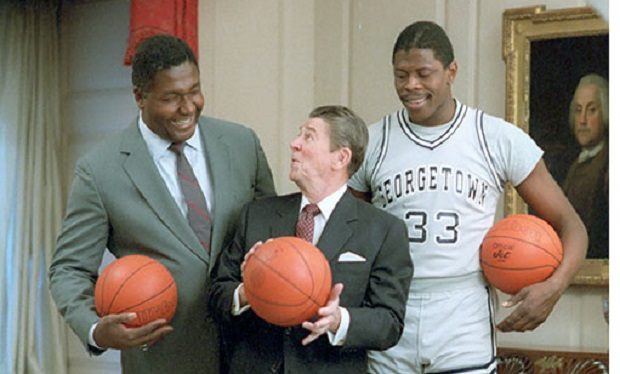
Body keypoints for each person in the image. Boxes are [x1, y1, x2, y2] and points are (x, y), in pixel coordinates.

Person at [348, 21, 587, 373]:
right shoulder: (372, 142)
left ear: (451, 71)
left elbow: (572, 226)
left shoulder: (495, 137)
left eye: (423, 73)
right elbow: (345, 231)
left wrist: (553, 287)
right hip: (391, 305)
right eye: (401, 75)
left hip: (463, 311)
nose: (411, 85)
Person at [48, 34, 276, 373]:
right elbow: (68, 270)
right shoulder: (99, 171)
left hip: (253, 351)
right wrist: (97, 330)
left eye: (194, 91)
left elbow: (270, 234)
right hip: (164, 359)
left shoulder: (242, 143)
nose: (188, 107)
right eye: (171, 98)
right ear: (140, 97)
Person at [208, 105, 413, 373]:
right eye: (298, 135)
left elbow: (389, 323)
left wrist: (340, 320)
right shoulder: (255, 214)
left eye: (309, 137)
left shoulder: (384, 230)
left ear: (340, 158)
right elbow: (215, 294)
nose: (294, 144)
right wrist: (247, 292)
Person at [562, 74, 608, 259]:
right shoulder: (573, 164)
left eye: (591, 110)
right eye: (578, 110)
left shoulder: (608, 163)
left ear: (606, 112)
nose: (582, 120)